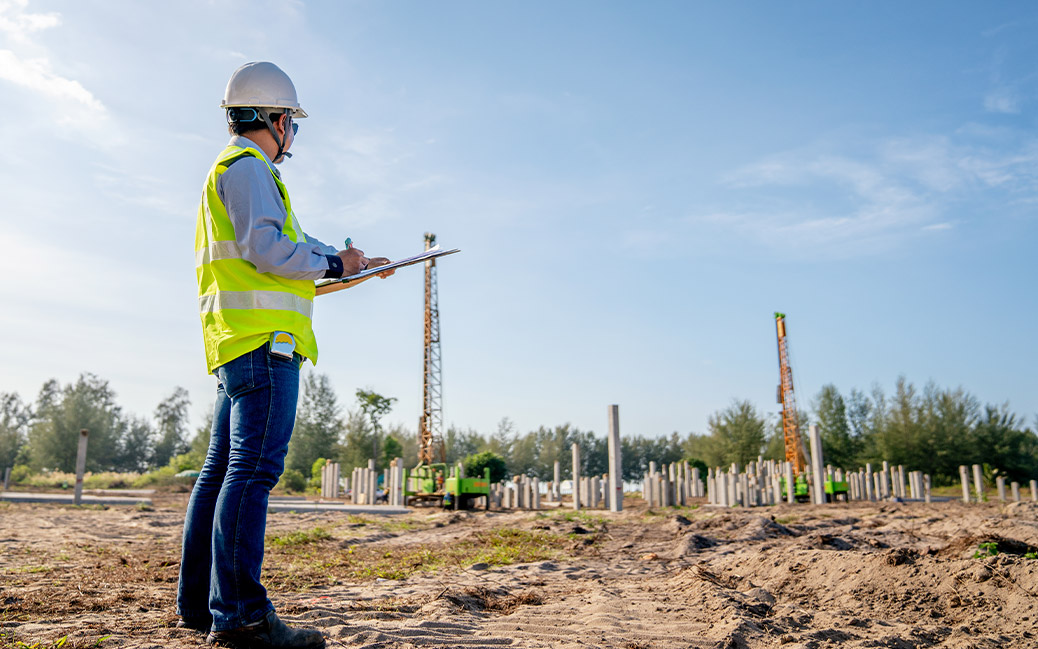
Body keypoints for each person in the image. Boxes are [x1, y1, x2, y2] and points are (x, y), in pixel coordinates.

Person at [177, 61, 392, 649]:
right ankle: (242, 616)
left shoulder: (230, 172)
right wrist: (332, 265)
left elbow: (282, 247)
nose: (291, 134)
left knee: (221, 472)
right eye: (290, 121)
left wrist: (346, 264)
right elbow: (269, 248)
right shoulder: (248, 169)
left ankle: (200, 605)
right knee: (251, 474)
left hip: (237, 344)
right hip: (265, 351)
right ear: (275, 120)